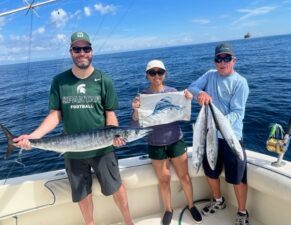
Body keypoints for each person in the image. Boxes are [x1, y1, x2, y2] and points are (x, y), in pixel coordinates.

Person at [13, 31, 134, 225]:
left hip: (103, 149)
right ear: (71, 52)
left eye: (85, 48)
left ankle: (129, 222)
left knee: (116, 186)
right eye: (77, 49)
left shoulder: (104, 80)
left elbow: (110, 113)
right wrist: (33, 137)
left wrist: (115, 135)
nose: (82, 53)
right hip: (71, 149)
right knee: (82, 193)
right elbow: (55, 115)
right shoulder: (59, 81)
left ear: (91, 51)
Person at [131, 59, 202, 225]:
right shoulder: (142, 97)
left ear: (165, 74)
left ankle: (191, 205)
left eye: (160, 72)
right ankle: (168, 209)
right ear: (147, 75)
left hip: (176, 140)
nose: (156, 76)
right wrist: (135, 110)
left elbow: (183, 114)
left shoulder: (173, 91)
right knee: (164, 180)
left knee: (184, 177)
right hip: (155, 144)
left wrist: (187, 100)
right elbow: (135, 124)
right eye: (152, 72)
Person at [188, 43, 250, 225]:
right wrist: (200, 94)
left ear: (234, 60)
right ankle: (218, 201)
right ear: (214, 61)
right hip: (210, 137)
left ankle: (242, 211)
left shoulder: (240, 82)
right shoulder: (209, 75)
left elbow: (238, 113)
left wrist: (217, 122)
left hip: (231, 137)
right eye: (218, 59)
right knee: (211, 172)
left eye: (226, 58)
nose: (222, 62)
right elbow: (191, 87)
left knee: (238, 178)